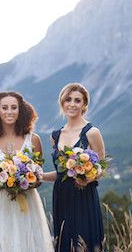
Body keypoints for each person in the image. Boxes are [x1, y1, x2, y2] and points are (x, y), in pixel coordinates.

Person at [0, 91, 54, 252]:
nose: (9, 111)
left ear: (21, 111)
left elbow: (38, 177)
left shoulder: (33, 139)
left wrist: (21, 182)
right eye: (4, 108)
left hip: (27, 204)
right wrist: (3, 182)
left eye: (14, 107)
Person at [43, 83, 105, 252]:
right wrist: (38, 175)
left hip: (84, 196)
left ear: (84, 104)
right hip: (61, 196)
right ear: (62, 102)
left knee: (85, 241)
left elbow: (101, 168)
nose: (72, 104)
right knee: (64, 242)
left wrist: (87, 179)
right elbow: (61, 174)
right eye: (68, 99)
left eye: (77, 100)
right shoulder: (56, 135)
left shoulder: (92, 132)